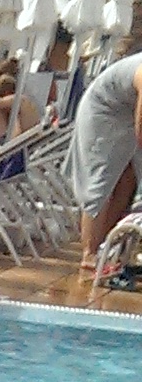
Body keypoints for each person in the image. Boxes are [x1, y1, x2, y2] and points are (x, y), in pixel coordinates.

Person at [69, 48, 142, 263]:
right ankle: (90, 254)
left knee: (128, 179)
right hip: (102, 112)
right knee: (100, 180)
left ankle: (106, 246)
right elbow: (141, 128)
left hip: (125, 113)